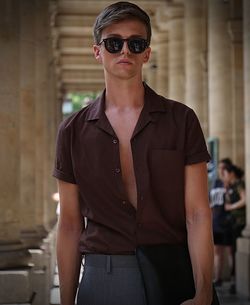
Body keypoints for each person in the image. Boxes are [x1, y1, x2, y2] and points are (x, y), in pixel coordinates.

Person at [53, 2, 215, 305]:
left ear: (147, 53)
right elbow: (71, 224)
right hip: (103, 275)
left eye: (136, 43)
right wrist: (65, 300)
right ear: (97, 51)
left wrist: (204, 292)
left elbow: (197, 213)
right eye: (114, 43)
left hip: (173, 274)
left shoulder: (182, 120)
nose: (125, 51)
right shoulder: (72, 131)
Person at [209, 158, 233, 287]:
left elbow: (231, 200)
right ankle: (218, 278)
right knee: (217, 251)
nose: (221, 170)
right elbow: (210, 203)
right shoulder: (215, 183)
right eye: (220, 168)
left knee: (230, 252)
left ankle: (233, 279)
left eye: (224, 168)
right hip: (216, 222)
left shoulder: (230, 184)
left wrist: (227, 183)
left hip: (228, 223)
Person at [223, 164, 246, 294]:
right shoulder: (230, 187)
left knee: (235, 251)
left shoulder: (238, 184)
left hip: (240, 223)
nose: (223, 176)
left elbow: (245, 199)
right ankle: (234, 280)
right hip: (232, 224)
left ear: (231, 173)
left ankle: (235, 281)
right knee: (232, 252)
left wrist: (231, 207)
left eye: (225, 173)